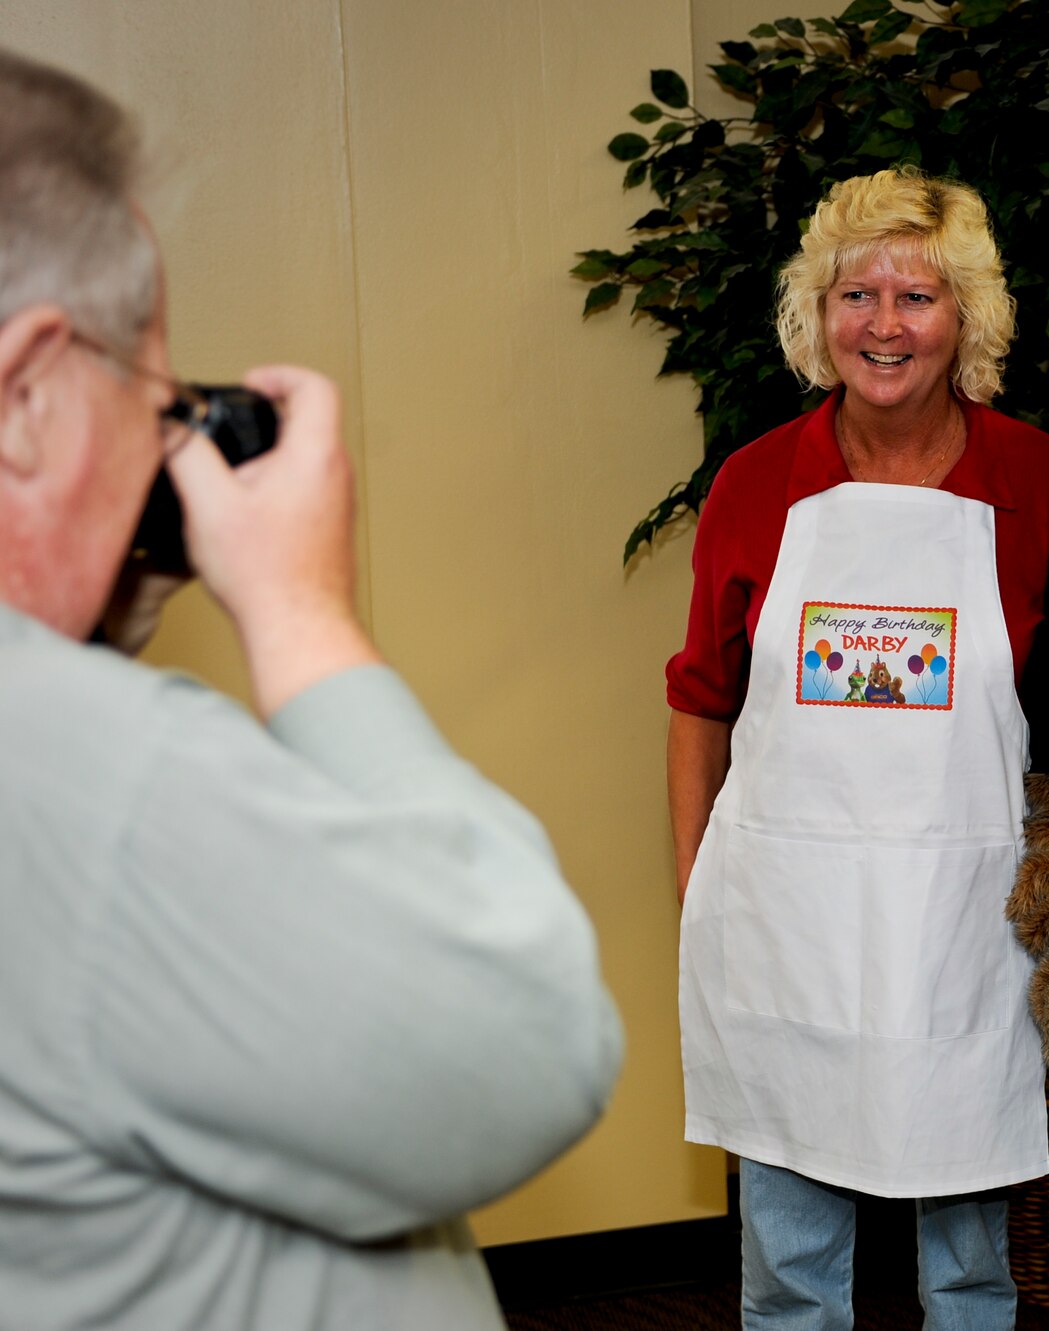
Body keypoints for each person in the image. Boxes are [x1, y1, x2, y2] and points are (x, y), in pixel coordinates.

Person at [0, 48, 623, 1331]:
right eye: (150, 392)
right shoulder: (101, 774)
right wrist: (303, 613)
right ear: (24, 396)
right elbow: (530, 1042)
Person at [668, 165, 1049, 1329]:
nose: (884, 326)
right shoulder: (752, 487)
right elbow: (699, 698)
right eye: (857, 295)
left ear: (967, 320)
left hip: (964, 927)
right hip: (785, 929)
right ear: (817, 315)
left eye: (917, 296)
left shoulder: (1042, 484)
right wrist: (697, 885)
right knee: (789, 1269)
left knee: (966, 1267)